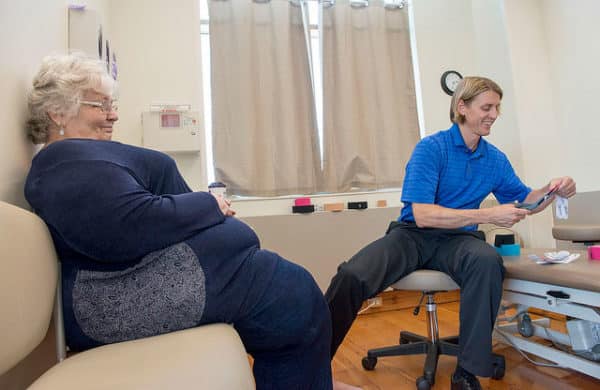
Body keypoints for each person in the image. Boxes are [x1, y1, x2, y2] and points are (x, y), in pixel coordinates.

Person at [24, 53, 332, 389]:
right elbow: (131, 225)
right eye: (99, 105)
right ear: (57, 112)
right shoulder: (63, 163)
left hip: (158, 278)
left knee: (294, 305)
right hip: (117, 301)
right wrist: (210, 205)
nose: (113, 114)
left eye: (111, 104)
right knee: (295, 302)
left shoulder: (81, 158)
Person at [325, 76, 576, 390]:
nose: (494, 114)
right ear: (462, 107)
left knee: (487, 261)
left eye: (497, 107)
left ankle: (466, 373)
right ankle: (310, 365)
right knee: (352, 275)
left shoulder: (494, 159)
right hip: (413, 234)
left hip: (459, 240)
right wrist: (488, 214)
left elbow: (526, 199)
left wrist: (555, 190)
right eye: (487, 107)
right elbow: (422, 213)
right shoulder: (432, 149)